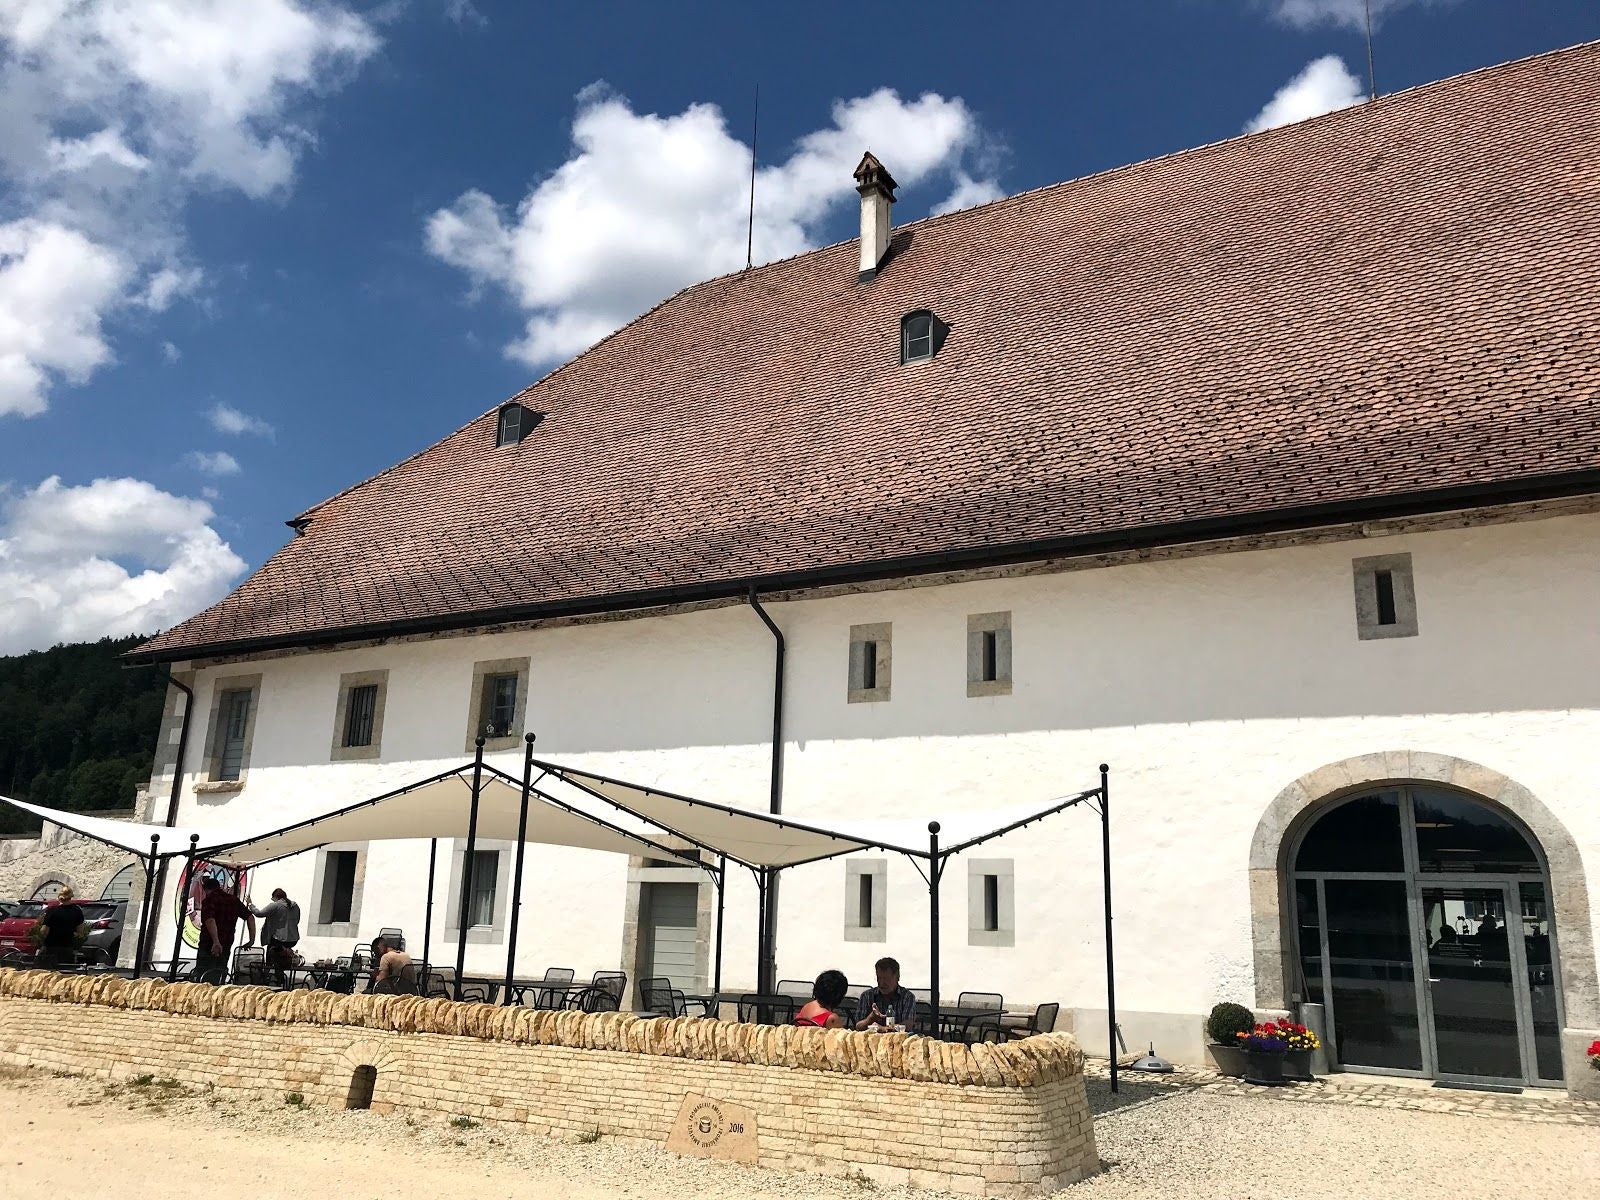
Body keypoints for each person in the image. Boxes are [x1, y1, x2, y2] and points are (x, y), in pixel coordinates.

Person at [196, 875, 255, 983]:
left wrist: (216, 942)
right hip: (226, 943)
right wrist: (251, 940)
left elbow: (210, 919)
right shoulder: (233, 900)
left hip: (209, 944)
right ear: (219, 887)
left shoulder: (209, 899)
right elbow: (250, 917)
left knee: (203, 979)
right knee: (219, 976)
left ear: (206, 889)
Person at [250, 888, 301, 985]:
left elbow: (259, 913)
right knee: (281, 959)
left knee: (271, 957)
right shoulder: (295, 906)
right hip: (292, 938)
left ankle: (268, 979)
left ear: (275, 897)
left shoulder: (275, 905)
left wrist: (251, 905)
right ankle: (280, 979)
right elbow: (297, 920)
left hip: (279, 938)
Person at [854, 956, 917, 1032]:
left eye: (886, 979)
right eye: (878, 978)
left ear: (897, 977)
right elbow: (858, 1026)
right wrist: (870, 1018)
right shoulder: (867, 996)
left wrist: (884, 1029)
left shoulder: (907, 997)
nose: (882, 983)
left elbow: (907, 1026)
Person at [35, 887, 85, 970]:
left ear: (59, 897)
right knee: (65, 974)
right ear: (70, 897)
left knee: (44, 973)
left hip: (51, 946)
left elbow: (44, 930)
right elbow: (80, 931)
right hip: (67, 946)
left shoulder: (52, 911)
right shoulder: (77, 911)